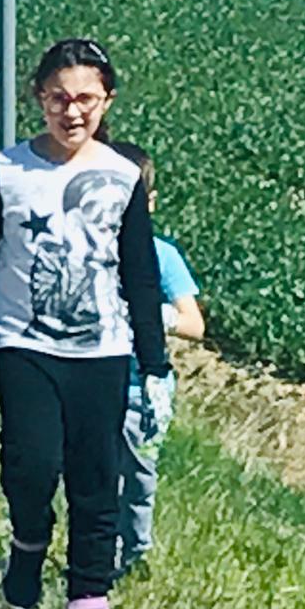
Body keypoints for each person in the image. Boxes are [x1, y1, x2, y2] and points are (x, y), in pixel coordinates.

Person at [0, 38, 170, 609]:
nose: (71, 113)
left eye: (85, 100)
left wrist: (156, 367)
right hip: (25, 344)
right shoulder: (8, 170)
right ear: (38, 99)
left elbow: (140, 273)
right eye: (58, 99)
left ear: (107, 102)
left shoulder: (123, 177)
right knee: (31, 464)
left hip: (102, 349)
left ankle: (88, 600)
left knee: (97, 478)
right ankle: (28, 542)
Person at [108, 141, 203, 577]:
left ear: (150, 203)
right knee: (98, 475)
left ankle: (136, 553)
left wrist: (154, 313)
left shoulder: (162, 257)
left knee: (141, 476)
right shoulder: (92, 248)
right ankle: (98, 556)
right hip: (95, 380)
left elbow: (193, 323)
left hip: (143, 391)